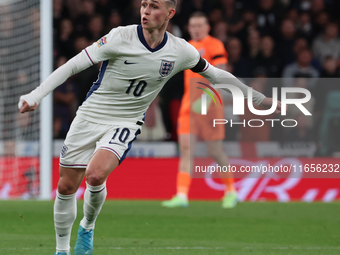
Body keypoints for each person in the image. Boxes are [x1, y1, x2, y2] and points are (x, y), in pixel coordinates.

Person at [18, 1, 280, 255]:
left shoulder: (181, 51)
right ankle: (61, 250)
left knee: (96, 176)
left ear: (170, 13)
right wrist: (37, 95)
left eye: (154, 6)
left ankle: (87, 226)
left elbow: (218, 75)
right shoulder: (120, 37)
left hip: (126, 121)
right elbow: (73, 64)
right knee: (66, 187)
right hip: (90, 115)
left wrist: (258, 99)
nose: (146, 11)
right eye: (144, 5)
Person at [161, 12, 237, 209]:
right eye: (192, 25)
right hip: (189, 106)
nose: (196, 28)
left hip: (210, 107)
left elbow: (222, 76)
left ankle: (231, 191)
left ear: (207, 27)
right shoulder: (186, 47)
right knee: (186, 150)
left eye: (200, 25)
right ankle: (182, 195)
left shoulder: (215, 45)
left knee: (215, 151)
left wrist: (205, 98)